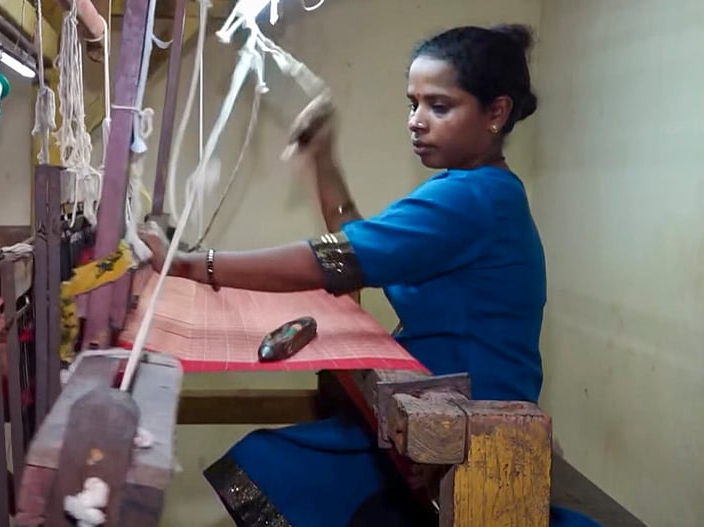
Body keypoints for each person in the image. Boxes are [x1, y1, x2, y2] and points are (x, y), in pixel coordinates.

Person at [140, 23, 601, 527]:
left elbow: (332, 260)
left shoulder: (474, 198)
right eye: (413, 104)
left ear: (496, 112)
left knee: (279, 464)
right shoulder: (472, 190)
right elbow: (361, 243)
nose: (416, 122)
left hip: (472, 420)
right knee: (291, 462)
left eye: (439, 107)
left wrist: (190, 265)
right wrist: (323, 160)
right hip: (441, 399)